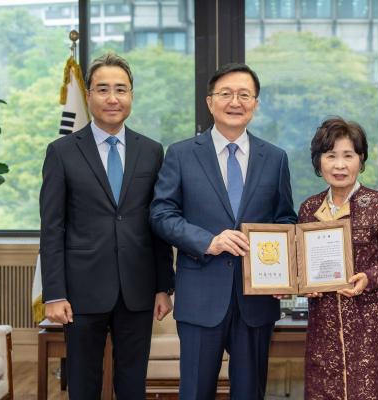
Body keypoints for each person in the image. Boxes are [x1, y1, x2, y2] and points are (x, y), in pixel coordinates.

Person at [149, 62, 297, 399]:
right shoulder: (182, 154)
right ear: (210, 101)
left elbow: (285, 220)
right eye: (226, 94)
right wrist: (208, 241)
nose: (235, 102)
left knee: (250, 392)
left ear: (256, 104)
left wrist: (280, 272)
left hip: (256, 301)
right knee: (196, 391)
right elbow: (160, 214)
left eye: (245, 95)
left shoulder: (275, 158)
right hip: (200, 296)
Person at [39, 53, 174, 399]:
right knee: (83, 384)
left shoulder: (151, 151)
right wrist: (54, 293)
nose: (112, 98)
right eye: (103, 89)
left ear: (131, 95)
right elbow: (52, 227)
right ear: (88, 96)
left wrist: (163, 286)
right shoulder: (62, 151)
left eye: (121, 89)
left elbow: (157, 223)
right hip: (81, 292)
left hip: (138, 289)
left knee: (132, 385)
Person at [298, 117, 378, 399]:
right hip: (324, 325)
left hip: (371, 323)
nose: (340, 165)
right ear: (319, 162)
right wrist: (303, 283)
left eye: (348, 155)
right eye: (331, 156)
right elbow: (301, 262)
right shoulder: (309, 208)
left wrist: (368, 278)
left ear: (361, 160)